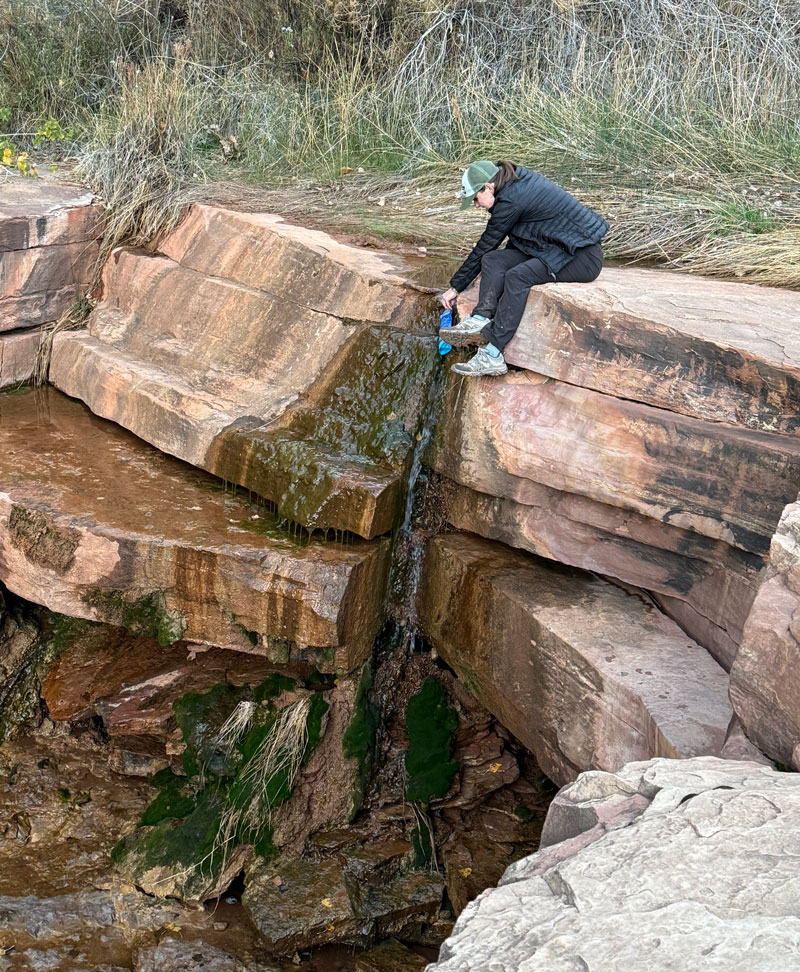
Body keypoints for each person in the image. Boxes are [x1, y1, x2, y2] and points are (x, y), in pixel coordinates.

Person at [440, 160, 608, 376]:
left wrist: (455, 287)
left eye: (475, 198)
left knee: (517, 276)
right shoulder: (513, 186)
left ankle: (493, 354)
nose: (475, 204)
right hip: (552, 248)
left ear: (488, 187)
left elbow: (486, 243)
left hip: (581, 256)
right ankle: (480, 319)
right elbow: (516, 237)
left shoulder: (510, 200)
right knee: (493, 260)